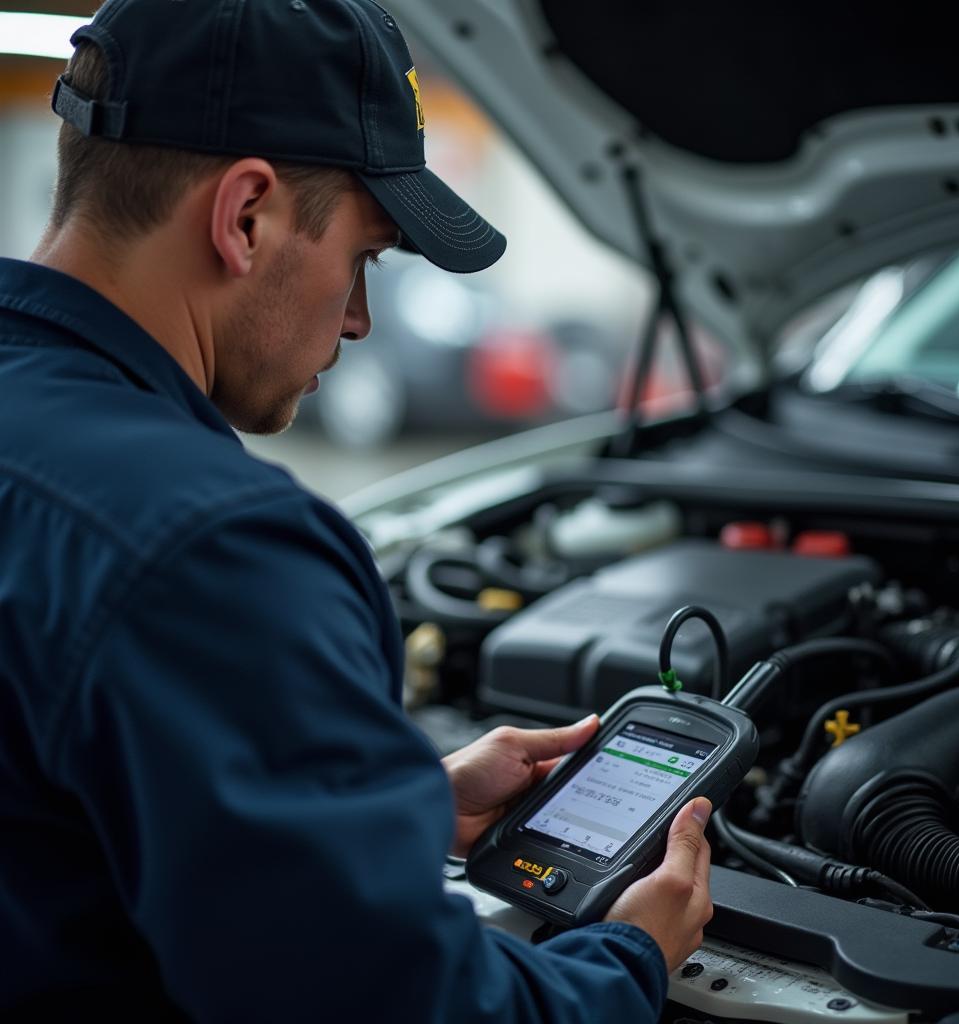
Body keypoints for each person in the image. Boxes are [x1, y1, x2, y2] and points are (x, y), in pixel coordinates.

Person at [0, 1, 713, 1020]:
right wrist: (628, 959)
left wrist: (392, 804)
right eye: (364, 258)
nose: (359, 318)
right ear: (245, 215)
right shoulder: (216, 547)